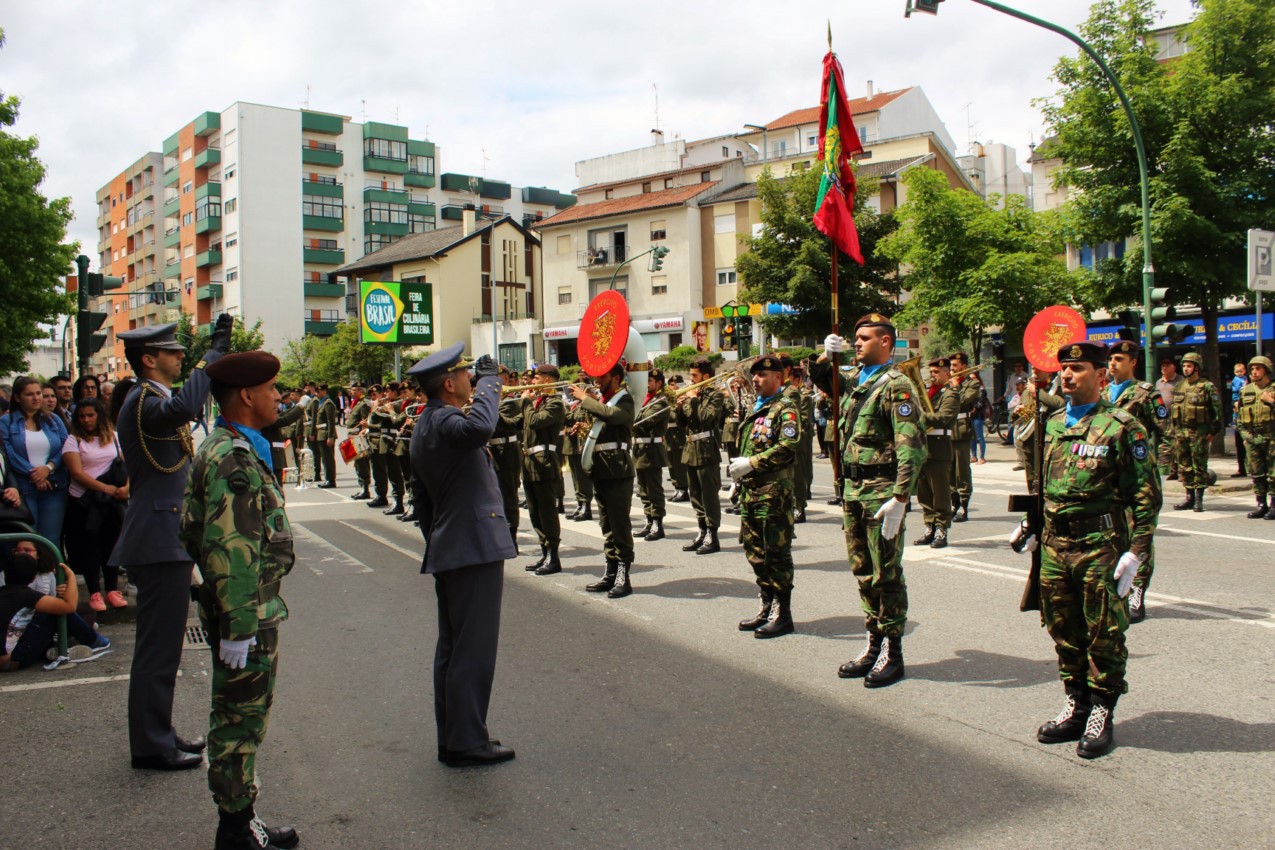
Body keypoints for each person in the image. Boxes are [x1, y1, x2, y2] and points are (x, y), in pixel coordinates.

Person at [1014, 341, 1160, 759]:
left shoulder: (1122, 426)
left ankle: (1102, 709)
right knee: (1063, 629)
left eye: (1076, 368)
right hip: (1057, 545)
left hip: (1099, 546)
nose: (1067, 375)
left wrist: (1137, 552)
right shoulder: (1053, 423)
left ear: (1100, 375)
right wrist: (1030, 522)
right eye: (1064, 368)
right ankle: (1076, 701)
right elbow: (1044, 483)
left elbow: (1146, 495)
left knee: (1104, 634)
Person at [182, 351, 298, 850]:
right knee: (239, 720)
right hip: (246, 613)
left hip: (246, 609)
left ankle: (239, 819)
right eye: (272, 389)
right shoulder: (233, 457)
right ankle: (234, 829)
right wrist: (239, 626)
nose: (278, 396)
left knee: (241, 717)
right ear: (247, 396)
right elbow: (232, 550)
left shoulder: (232, 447)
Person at [115, 315, 231, 772]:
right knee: (158, 649)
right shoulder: (144, 400)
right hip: (158, 536)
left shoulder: (148, 398)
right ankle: (150, 743)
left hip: (165, 533)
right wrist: (213, 355)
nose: (181, 357)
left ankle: (157, 732)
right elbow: (185, 409)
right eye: (172, 352)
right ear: (149, 359)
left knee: (164, 647)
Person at [408, 343, 516, 768]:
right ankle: (467, 741)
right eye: (466, 375)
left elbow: (422, 501)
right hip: (471, 547)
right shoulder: (449, 420)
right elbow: (479, 431)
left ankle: (454, 736)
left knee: (453, 649)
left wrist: (439, 536)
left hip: (454, 544)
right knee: (472, 648)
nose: (471, 380)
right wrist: (492, 384)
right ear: (448, 384)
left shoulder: (427, 423)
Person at [811, 315, 925, 688]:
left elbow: (912, 447)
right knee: (862, 571)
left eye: (864, 339)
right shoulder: (857, 380)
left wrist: (901, 498)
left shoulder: (896, 385)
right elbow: (823, 381)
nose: (856, 344)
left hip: (880, 493)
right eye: (854, 339)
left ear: (886, 343)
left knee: (886, 574)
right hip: (854, 492)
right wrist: (826, 358)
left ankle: (893, 652)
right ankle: (872, 643)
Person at [730, 356, 801, 638]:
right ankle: (767, 607)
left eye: (761, 375)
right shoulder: (756, 407)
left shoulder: (785, 408)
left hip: (773, 494)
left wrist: (752, 464)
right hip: (752, 491)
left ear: (778, 377)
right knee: (755, 552)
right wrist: (741, 477)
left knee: (776, 555)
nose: (755, 380)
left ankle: (783, 615)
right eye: (754, 375)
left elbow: (788, 446)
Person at [1105, 340, 1167, 624]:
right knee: (1113, 532)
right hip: (1110, 474)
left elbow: (1166, 428)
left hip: (1138, 475)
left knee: (1140, 533)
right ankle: (1115, 589)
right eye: (1111, 359)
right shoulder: (1102, 391)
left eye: (1119, 359)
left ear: (1133, 362)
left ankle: (1137, 591)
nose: (1113, 363)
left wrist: (1155, 461)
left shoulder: (1146, 393)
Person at [571, 362, 636, 596]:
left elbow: (613, 416)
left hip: (617, 469)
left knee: (619, 525)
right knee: (607, 525)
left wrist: (584, 399)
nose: (597, 379)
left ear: (616, 378)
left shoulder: (625, 399)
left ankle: (623, 575)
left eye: (602, 375)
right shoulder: (604, 400)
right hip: (601, 469)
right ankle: (610, 572)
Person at [62, 398, 129, 611]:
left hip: (112, 502)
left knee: (111, 545)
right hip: (85, 502)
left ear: (99, 415)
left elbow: (130, 465)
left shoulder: (115, 438)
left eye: (90, 415)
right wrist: (104, 488)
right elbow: (76, 473)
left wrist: (126, 487)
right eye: (82, 416)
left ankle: (112, 590)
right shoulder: (74, 440)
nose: (86, 420)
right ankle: (94, 593)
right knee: (90, 547)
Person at [1, 551, 109, 671]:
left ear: (5, 575)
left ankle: (52, 648)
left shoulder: (5, 593)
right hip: (10, 661)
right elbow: (69, 606)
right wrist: (71, 577)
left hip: (11, 652)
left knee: (80, 610)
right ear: (33, 578)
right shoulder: (26, 595)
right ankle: (93, 640)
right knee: (54, 612)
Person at [1, 376, 70, 545]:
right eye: (29, 394)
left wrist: (48, 468)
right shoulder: (6, 422)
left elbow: (66, 446)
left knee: (50, 539)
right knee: (27, 538)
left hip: (54, 486)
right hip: (24, 488)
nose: (36, 398)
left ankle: (50, 571)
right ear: (17, 397)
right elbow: (7, 452)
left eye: (38, 393)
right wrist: (34, 474)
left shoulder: (53, 420)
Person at [676, 358, 725, 554]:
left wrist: (693, 399)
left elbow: (705, 418)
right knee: (695, 494)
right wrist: (679, 407)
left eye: (694, 376)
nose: (690, 379)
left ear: (706, 376)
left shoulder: (716, 395)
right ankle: (702, 531)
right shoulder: (691, 395)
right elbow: (682, 424)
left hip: (707, 449)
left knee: (709, 495)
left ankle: (713, 535)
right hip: (690, 449)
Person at [520, 365, 566, 573]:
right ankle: (544, 553)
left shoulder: (555, 403)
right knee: (534, 512)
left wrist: (526, 402)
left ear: (548, 380)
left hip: (544, 461)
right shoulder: (538, 402)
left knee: (547, 512)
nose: (532, 382)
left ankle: (554, 557)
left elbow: (535, 421)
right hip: (529, 462)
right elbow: (518, 423)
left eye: (536, 378)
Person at [913, 358, 959, 549]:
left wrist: (917, 416)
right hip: (923, 447)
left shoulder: (950, 394)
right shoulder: (926, 393)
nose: (932, 375)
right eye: (931, 372)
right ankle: (929, 526)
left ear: (947, 374)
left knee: (940, 493)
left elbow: (943, 418)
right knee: (924, 493)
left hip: (939, 448)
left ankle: (942, 529)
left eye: (937, 372)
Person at [1170, 352, 1221, 512]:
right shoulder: (1179, 386)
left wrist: (1213, 430)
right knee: (1184, 466)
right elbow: (1173, 410)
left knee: (1199, 465)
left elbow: (1217, 410)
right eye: (1184, 365)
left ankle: (1199, 499)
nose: (1185, 369)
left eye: (1189, 366)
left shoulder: (1207, 386)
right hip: (1181, 432)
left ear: (1197, 368)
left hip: (1199, 432)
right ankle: (1189, 497)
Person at [633, 369, 672, 542]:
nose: (646, 384)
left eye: (649, 381)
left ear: (659, 383)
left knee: (654, 489)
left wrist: (630, 415)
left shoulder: (661, 401)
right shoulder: (642, 400)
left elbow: (644, 421)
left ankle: (658, 523)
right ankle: (649, 521)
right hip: (639, 450)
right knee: (643, 490)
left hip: (652, 449)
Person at [1237, 356, 1275, 521]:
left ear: (1266, 371)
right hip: (1252, 438)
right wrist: (1245, 436)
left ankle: (1274, 505)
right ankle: (1261, 504)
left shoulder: (1273, 389)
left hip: (1272, 438)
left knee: (1273, 474)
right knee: (1256, 473)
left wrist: (1271, 402)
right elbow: (1238, 417)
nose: (1254, 372)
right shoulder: (1246, 390)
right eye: (1252, 369)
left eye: (1258, 369)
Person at [489, 367, 523, 542]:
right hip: (494, 452)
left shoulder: (510, 400)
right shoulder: (496, 399)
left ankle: (512, 536)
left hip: (507, 453)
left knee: (509, 497)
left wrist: (487, 407)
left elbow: (502, 426)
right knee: (495, 496)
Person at [948, 351, 979, 521]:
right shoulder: (949, 383)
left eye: (955, 366)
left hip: (961, 430)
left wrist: (955, 387)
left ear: (964, 367)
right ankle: (954, 503)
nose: (952, 369)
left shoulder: (972, 384)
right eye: (951, 366)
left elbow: (960, 401)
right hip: (948, 430)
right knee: (950, 470)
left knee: (962, 471)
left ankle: (964, 506)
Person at [563, 385, 595, 521]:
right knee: (575, 478)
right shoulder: (576, 405)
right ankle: (579, 504)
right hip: (571, 445)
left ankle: (586, 507)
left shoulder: (588, 406)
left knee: (582, 479)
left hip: (580, 444)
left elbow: (575, 419)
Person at [344, 383, 373, 500]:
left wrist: (363, 436)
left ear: (361, 391)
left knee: (362, 464)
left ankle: (365, 489)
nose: (352, 392)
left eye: (354, 390)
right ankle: (362, 487)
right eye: (352, 390)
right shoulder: (355, 403)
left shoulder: (364, 403)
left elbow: (365, 421)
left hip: (359, 437)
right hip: (353, 436)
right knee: (357, 464)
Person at [1156, 357, 1184, 478]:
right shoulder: (1159, 382)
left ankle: (1180, 471)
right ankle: (1170, 470)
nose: (1164, 368)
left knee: (1178, 444)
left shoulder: (1180, 381)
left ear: (1174, 367)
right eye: (1163, 366)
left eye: (1167, 365)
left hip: (1177, 417)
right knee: (1166, 444)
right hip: (1162, 418)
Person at [665, 376, 689, 502]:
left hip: (678, 435)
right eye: (670, 384)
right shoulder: (668, 399)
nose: (671, 387)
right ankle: (677, 488)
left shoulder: (684, 398)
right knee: (671, 465)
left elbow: (676, 417)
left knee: (679, 465)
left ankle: (683, 489)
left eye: (674, 384)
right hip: (668, 435)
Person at [310, 384, 339, 488]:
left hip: (326, 433)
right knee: (325, 458)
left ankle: (331, 480)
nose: (316, 394)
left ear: (324, 391)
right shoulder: (321, 403)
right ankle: (328, 478)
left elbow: (331, 421)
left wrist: (330, 436)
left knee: (328, 458)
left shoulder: (328, 403)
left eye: (318, 392)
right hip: (321, 433)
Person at [1231, 361, 1250, 477]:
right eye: (1237, 372)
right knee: (1240, 444)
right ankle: (1242, 468)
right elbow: (1235, 398)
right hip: (1238, 417)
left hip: (1249, 419)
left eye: (1241, 371)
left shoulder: (1248, 380)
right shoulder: (1237, 381)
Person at [970, 381, 989, 464]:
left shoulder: (981, 391)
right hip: (971, 416)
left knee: (979, 436)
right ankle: (973, 456)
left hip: (978, 416)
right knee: (972, 437)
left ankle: (982, 457)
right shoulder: (969, 390)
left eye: (974, 378)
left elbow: (981, 403)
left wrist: (974, 408)